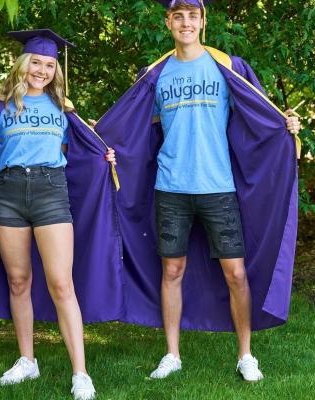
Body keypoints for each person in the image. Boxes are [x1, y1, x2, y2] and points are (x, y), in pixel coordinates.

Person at [93, 0, 301, 383]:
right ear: (168, 22)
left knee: (236, 274)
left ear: (203, 21)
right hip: (170, 186)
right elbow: (133, 123)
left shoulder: (227, 66)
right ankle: (172, 354)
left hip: (217, 186)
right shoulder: (155, 75)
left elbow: (260, 114)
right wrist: (98, 134)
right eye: (178, 16)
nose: (186, 23)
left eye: (193, 16)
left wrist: (284, 124)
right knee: (172, 269)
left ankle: (245, 355)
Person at [0, 29, 117, 400]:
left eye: (49, 65)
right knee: (18, 282)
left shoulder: (64, 109)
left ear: (55, 70)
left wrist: (103, 159)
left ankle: (80, 373)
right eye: (36, 62)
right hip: (9, 194)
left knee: (61, 283)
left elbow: (79, 151)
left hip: (51, 192)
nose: (42, 70)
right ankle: (27, 360)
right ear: (22, 64)